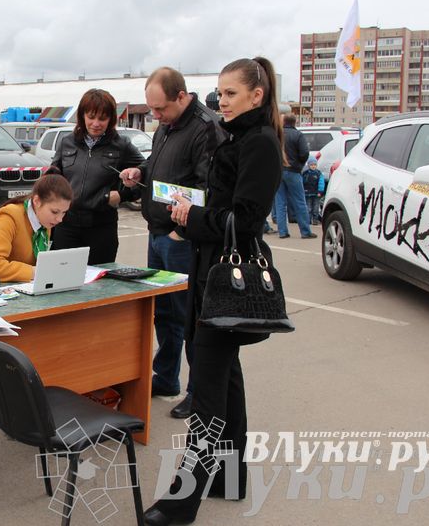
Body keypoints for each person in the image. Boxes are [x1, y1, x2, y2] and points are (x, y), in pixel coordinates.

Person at [141, 57, 283, 526]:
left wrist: (192, 218)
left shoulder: (259, 143)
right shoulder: (239, 136)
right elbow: (223, 206)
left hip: (226, 276)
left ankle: (181, 503)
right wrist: (193, 208)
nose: (220, 101)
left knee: (205, 389)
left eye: (230, 94)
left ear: (256, 96)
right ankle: (230, 476)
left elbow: (245, 221)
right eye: (219, 93)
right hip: (209, 274)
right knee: (227, 381)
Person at [119, 67, 224, 419]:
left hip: (182, 238)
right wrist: (141, 173)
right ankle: (166, 378)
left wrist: (183, 231)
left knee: (190, 315)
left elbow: (209, 187)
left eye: (160, 109)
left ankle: (198, 392)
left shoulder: (205, 128)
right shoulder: (168, 124)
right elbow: (159, 165)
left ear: (182, 96)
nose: (155, 116)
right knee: (164, 313)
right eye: (151, 110)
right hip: (158, 233)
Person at [49, 89, 144, 264]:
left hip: (101, 229)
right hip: (66, 226)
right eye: (91, 116)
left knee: (100, 286)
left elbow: (146, 173)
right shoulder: (67, 142)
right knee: (62, 283)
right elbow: (54, 176)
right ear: (82, 116)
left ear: (111, 119)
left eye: (102, 118)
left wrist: (122, 195)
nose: (96, 123)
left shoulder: (121, 146)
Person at [0, 173, 73, 282]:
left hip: (19, 287)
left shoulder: (44, 220)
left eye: (64, 212)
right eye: (55, 212)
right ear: (37, 201)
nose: (60, 219)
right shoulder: (8, 216)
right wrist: (36, 272)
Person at [274, 114, 316, 239]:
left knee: (280, 203)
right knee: (299, 201)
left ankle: (282, 232)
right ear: (294, 122)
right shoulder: (298, 135)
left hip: (279, 171)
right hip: (293, 171)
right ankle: (305, 231)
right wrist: (299, 164)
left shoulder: (277, 135)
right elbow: (304, 153)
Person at [302, 159, 325, 225]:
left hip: (316, 193)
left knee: (316, 208)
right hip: (307, 193)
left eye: (314, 165)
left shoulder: (318, 173)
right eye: (311, 165)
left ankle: (315, 220)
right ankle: (308, 220)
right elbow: (302, 182)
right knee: (308, 208)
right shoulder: (305, 173)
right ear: (308, 165)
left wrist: (320, 191)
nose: (313, 166)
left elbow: (321, 183)